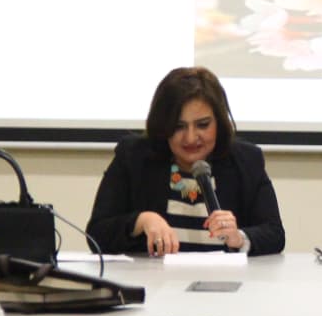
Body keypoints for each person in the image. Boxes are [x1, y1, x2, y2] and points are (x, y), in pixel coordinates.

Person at [87, 67, 285, 256]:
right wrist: (141, 221)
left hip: (224, 278)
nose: (190, 138)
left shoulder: (246, 160)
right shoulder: (134, 157)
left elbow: (275, 234)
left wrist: (239, 238)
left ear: (219, 122)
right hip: (154, 278)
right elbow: (97, 233)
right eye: (178, 126)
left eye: (203, 125)